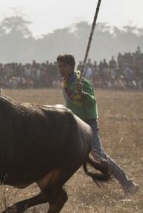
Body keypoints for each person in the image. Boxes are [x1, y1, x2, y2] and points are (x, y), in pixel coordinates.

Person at [56, 54, 139, 195]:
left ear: (71, 66)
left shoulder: (81, 82)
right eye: (59, 66)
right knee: (63, 154)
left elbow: (92, 102)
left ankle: (128, 185)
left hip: (88, 124)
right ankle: (57, 189)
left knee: (99, 156)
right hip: (75, 125)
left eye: (64, 66)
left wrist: (83, 93)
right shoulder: (66, 83)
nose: (61, 69)